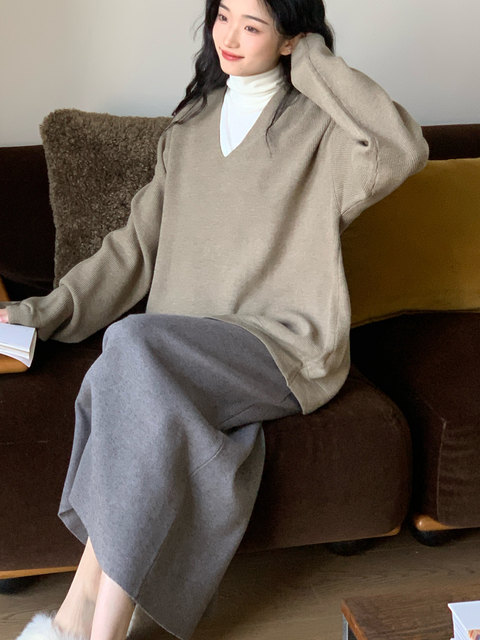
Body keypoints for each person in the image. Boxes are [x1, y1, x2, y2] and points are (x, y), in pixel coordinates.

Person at [2, 0, 429, 638]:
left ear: (291, 38)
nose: (228, 36)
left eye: (252, 26)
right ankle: (88, 619)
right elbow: (131, 251)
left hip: (281, 347)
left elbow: (403, 148)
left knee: (132, 351)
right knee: (133, 363)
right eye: (223, 15)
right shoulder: (189, 129)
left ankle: (85, 618)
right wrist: (33, 317)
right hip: (180, 350)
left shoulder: (324, 130)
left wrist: (311, 56)